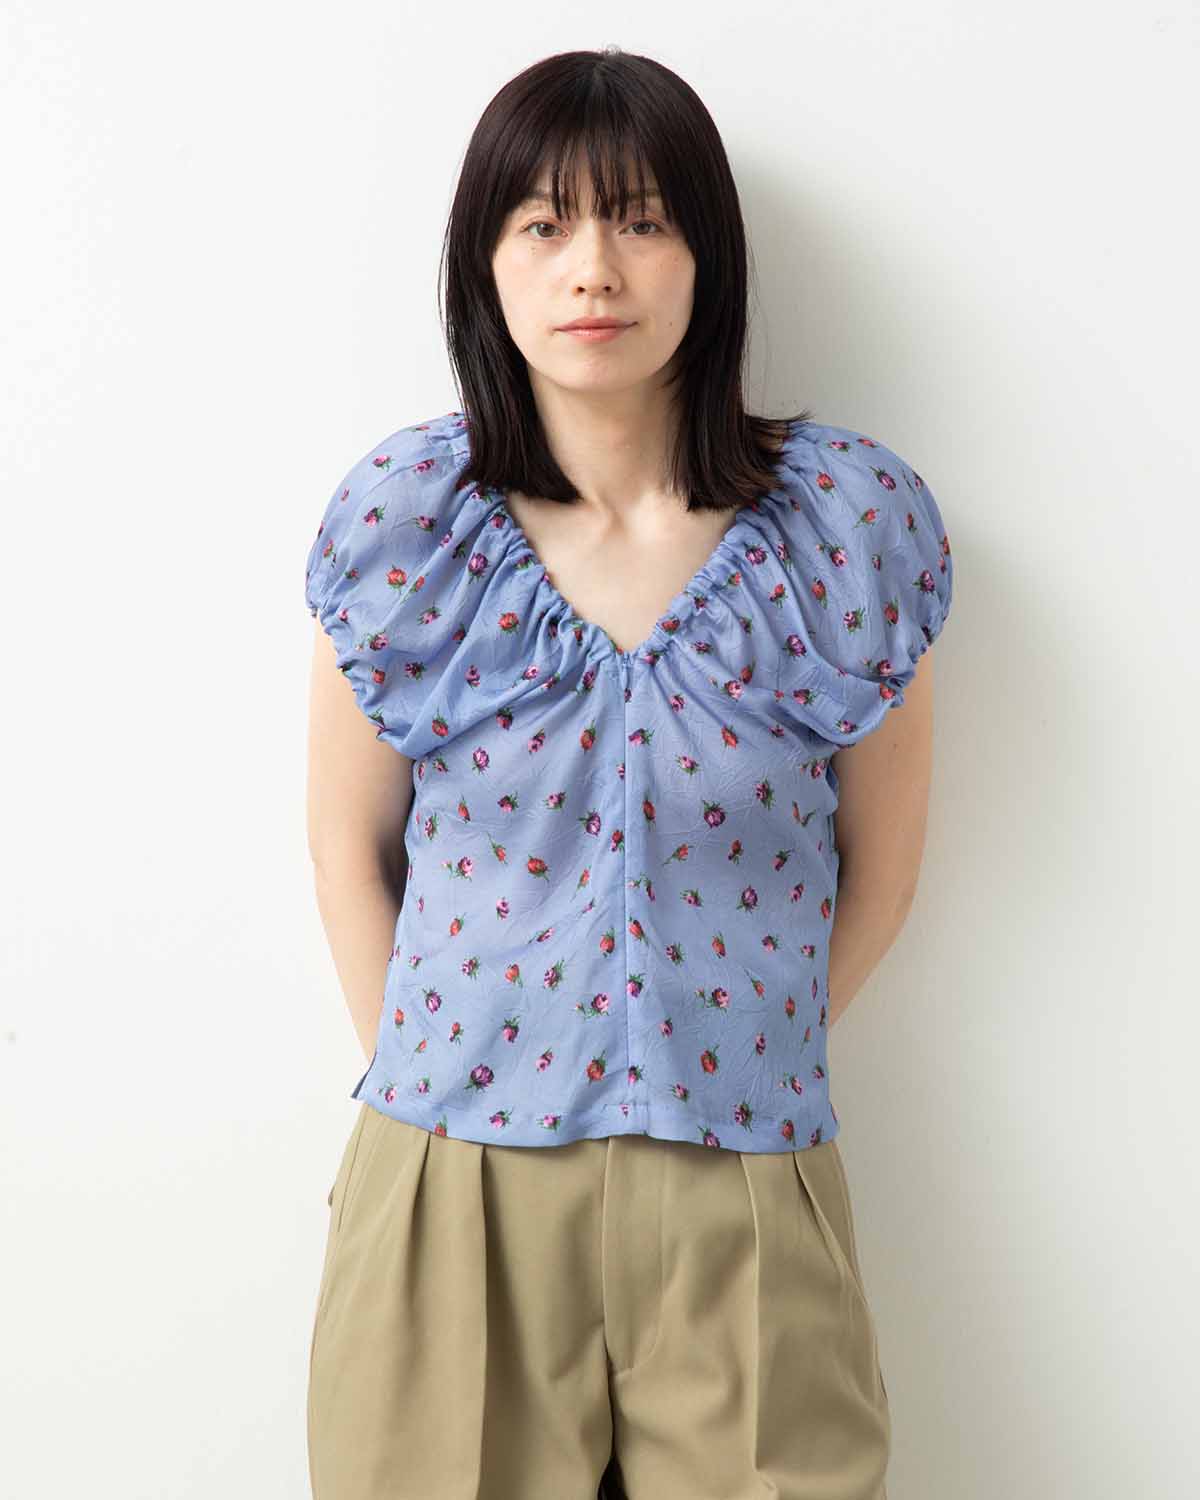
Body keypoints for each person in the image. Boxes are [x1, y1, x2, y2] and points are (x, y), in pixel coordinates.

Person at [303, 45, 953, 1500]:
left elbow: (886, 867)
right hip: (456, 1170)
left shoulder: (845, 532)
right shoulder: (410, 526)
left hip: (746, 1175)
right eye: (543, 223)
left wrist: (730, 1047)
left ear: (706, 256)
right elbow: (348, 848)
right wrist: (431, 1090)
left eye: (642, 220)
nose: (593, 266)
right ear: (484, 263)